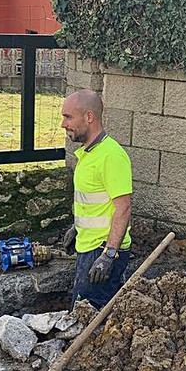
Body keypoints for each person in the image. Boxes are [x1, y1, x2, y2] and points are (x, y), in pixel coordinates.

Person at [59, 89, 134, 310]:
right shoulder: (89, 153)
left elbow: (124, 207)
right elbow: (95, 200)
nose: (63, 124)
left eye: (68, 117)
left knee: (87, 315)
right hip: (89, 245)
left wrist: (109, 255)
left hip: (102, 250)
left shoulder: (111, 156)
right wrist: (77, 227)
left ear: (89, 117)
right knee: (83, 310)